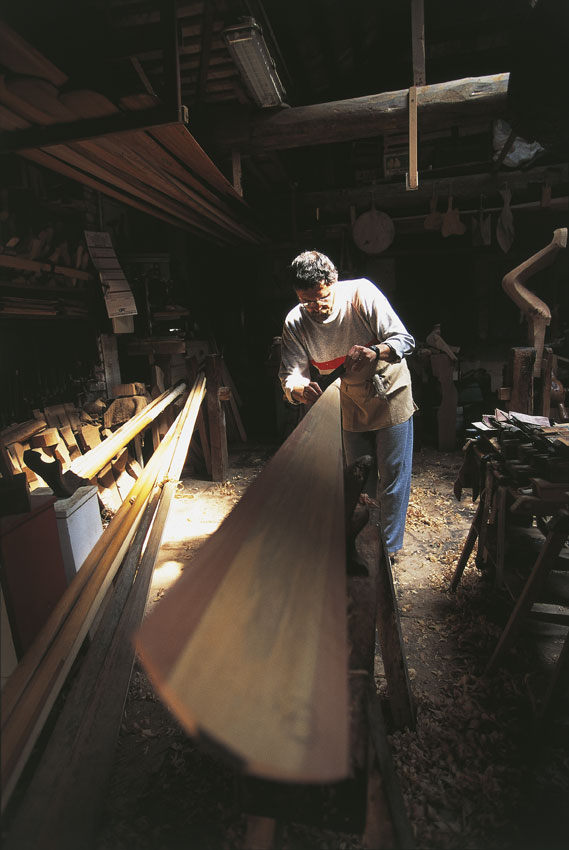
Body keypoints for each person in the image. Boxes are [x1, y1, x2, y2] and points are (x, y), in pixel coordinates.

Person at [279, 250, 416, 560]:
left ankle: (388, 550)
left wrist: (378, 351)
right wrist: (301, 390)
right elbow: (291, 376)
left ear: (333, 282)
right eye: (306, 302)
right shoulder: (295, 321)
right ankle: (364, 544)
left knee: (393, 475)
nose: (314, 308)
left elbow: (404, 339)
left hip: (388, 390)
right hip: (347, 396)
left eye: (321, 298)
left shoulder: (361, 294)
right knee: (357, 478)